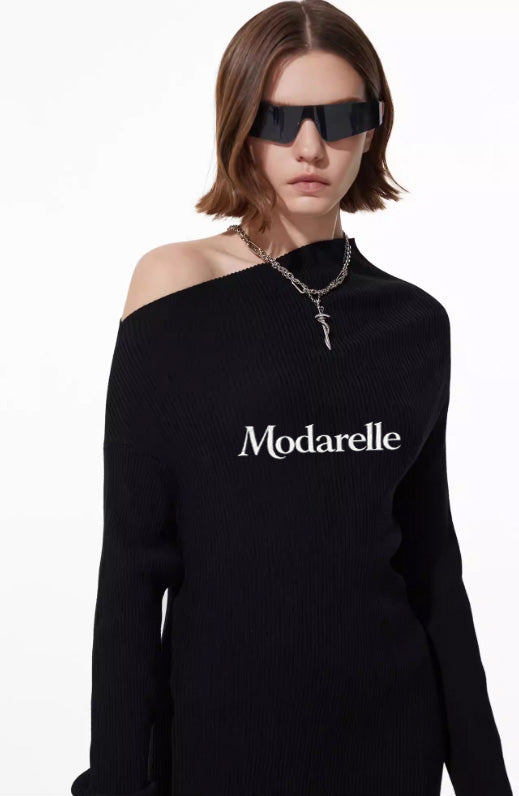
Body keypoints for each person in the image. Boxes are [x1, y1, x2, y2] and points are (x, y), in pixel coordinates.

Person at [71, 2, 513, 795]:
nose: (310, 147)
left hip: (391, 743)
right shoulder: (174, 289)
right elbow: (134, 567)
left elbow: (431, 570)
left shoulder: (415, 323)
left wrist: (486, 781)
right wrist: (115, 780)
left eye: (339, 118)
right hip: (220, 746)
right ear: (241, 126)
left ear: (372, 130)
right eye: (280, 120)